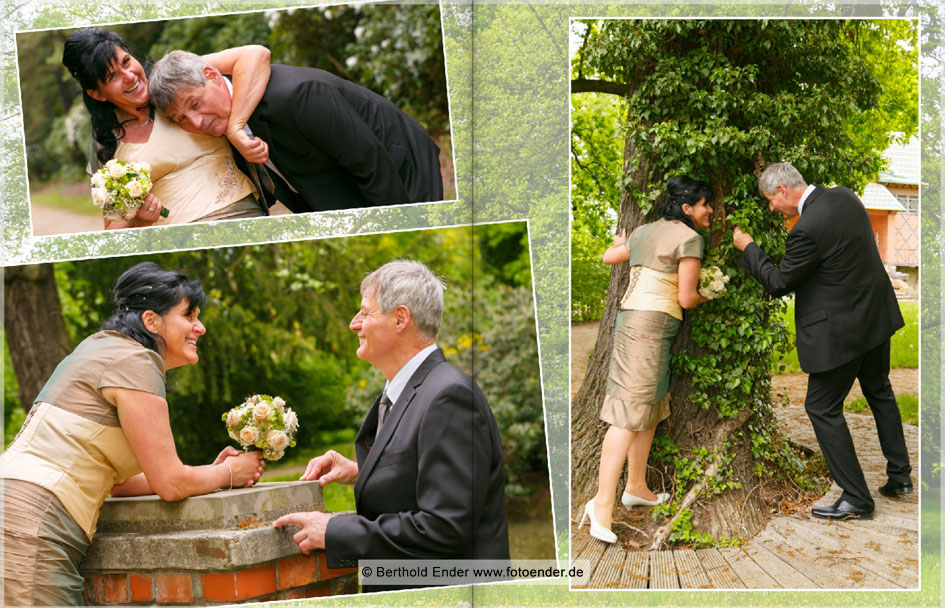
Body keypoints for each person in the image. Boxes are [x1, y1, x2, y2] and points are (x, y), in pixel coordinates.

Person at [0, 262, 265, 606]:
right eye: (189, 316)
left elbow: (122, 482)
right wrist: (229, 473)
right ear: (151, 321)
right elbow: (171, 485)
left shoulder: (99, 348)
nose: (200, 327)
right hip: (32, 522)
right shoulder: (136, 361)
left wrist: (205, 474)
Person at [272, 261, 509, 591]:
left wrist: (334, 531)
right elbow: (423, 475)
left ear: (400, 318)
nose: (354, 324)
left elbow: (446, 529)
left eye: (365, 313)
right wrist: (364, 471)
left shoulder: (449, 397)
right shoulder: (412, 390)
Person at [733, 162, 912, 521]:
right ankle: (900, 477)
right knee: (879, 391)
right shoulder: (846, 197)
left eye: (771, 200)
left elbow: (779, 282)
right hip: (874, 320)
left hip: (842, 333)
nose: (772, 208)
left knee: (821, 407)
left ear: (783, 191)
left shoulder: (807, 229)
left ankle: (857, 498)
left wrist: (749, 248)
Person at [581, 176, 715, 544]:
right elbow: (687, 299)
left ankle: (636, 486)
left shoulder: (643, 231)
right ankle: (601, 505)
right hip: (649, 325)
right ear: (688, 209)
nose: (711, 211)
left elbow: (610, 257)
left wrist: (621, 243)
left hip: (641, 324)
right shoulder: (690, 239)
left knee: (650, 406)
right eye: (706, 204)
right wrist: (710, 293)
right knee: (627, 412)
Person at [147, 50, 444, 213]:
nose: (196, 123)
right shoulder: (221, 121)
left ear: (212, 75)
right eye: (181, 118)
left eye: (195, 103)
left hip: (402, 173)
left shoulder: (298, 96)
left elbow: (371, 165)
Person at [62, 28, 272, 229]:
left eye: (126, 62)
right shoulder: (106, 140)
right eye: (112, 77)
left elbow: (255, 55)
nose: (129, 76)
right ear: (97, 94)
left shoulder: (172, 79)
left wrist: (236, 126)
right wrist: (137, 221)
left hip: (243, 216)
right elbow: (113, 227)